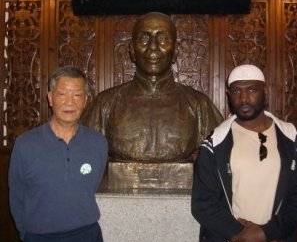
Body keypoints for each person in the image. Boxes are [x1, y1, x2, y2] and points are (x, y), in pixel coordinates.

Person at [81, 12, 223, 189]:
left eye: (163, 39)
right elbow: (84, 159)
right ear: (132, 50)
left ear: (176, 51)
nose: (153, 47)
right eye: (144, 39)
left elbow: (221, 161)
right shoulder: (105, 103)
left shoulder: (199, 105)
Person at [191, 64, 297, 242]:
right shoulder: (214, 143)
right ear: (229, 95)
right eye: (237, 91)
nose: (244, 98)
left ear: (265, 92)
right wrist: (244, 236)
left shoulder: (291, 139)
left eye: (252, 90)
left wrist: (267, 234)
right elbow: (203, 203)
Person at [8, 66, 108, 242]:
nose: (69, 102)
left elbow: (91, 185)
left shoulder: (98, 143)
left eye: (77, 95)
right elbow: (17, 196)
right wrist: (26, 234)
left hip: (86, 240)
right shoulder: (26, 144)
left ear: (85, 101)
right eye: (62, 94)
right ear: (50, 98)